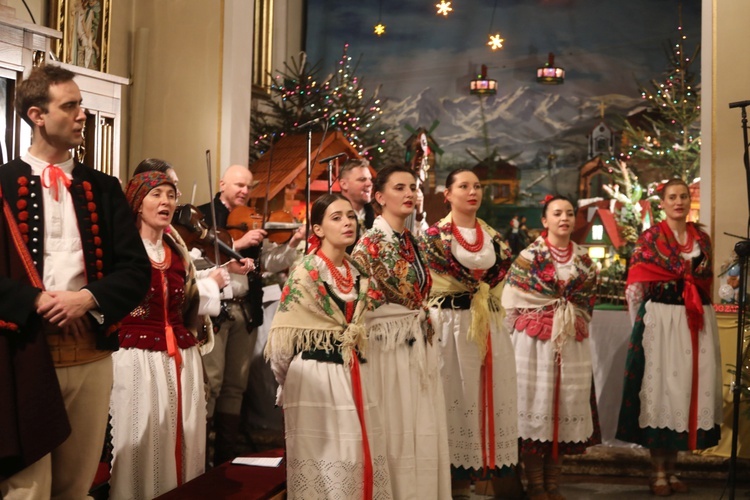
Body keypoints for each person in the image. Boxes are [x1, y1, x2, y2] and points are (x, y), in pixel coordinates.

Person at [0, 64, 150, 498]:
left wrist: (86, 299)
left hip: (90, 357)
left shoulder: (103, 188)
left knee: (76, 485)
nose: (82, 114)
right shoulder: (3, 183)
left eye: (81, 104)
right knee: (25, 488)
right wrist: (32, 301)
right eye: (70, 105)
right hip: (24, 354)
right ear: (37, 115)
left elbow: (134, 270)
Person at [109, 171, 244, 498]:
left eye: (171, 194)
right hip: (137, 358)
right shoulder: (124, 248)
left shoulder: (177, 248)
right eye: (157, 195)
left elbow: (188, 298)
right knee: (141, 437)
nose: (166, 202)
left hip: (180, 357)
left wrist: (209, 283)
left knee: (185, 435)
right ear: (138, 203)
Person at [265, 193, 392, 499]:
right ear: (318, 229)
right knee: (322, 463)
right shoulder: (305, 272)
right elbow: (283, 344)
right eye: (336, 218)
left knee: (355, 456)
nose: (347, 222)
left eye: (350, 216)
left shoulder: (359, 273)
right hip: (314, 379)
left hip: (353, 374)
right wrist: (293, 382)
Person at [616, 178, 721, 496]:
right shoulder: (650, 238)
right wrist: (640, 325)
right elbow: (635, 284)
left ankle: (674, 470)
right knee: (660, 391)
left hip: (694, 320)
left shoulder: (700, 238)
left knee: (684, 392)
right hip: (660, 320)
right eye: (673, 197)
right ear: (662, 203)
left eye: (684, 197)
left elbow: (705, 281)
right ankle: (658, 471)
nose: (679, 202)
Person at [352, 165, 451, 499]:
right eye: (399, 188)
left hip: (415, 345)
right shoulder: (369, 244)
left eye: (413, 187)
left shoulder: (411, 241)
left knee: (420, 427)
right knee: (395, 429)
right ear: (379, 197)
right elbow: (362, 305)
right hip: (387, 350)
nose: (409, 193)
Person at [421, 168, 519, 499]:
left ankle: (479, 479)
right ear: (447, 194)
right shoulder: (433, 238)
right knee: (453, 400)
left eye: (476, 186)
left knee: (482, 400)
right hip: (449, 325)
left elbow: (497, 286)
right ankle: (454, 487)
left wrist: (488, 310)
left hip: (486, 326)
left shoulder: (496, 239)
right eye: (463, 186)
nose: (472, 191)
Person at [199, 164, 305, 464]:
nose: (245, 191)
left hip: (246, 309)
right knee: (213, 381)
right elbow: (196, 258)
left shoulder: (252, 218)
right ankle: (202, 453)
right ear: (222, 184)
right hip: (215, 310)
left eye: (248, 186)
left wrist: (293, 243)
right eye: (238, 185)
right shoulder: (203, 215)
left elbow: (268, 264)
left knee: (236, 384)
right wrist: (237, 244)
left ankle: (225, 456)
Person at [501, 195, 599, 500]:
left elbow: (585, 304)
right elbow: (511, 303)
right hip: (534, 343)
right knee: (536, 408)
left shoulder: (585, 261)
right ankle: (535, 483)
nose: (564, 218)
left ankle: (553, 483)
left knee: (565, 408)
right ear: (545, 220)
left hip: (571, 341)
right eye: (557, 213)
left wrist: (568, 316)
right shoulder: (528, 258)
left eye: (569, 213)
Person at [338, 157, 374, 252]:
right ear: (344, 184)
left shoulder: (378, 213)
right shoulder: (333, 217)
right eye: (362, 179)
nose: (369, 183)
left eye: (370, 179)